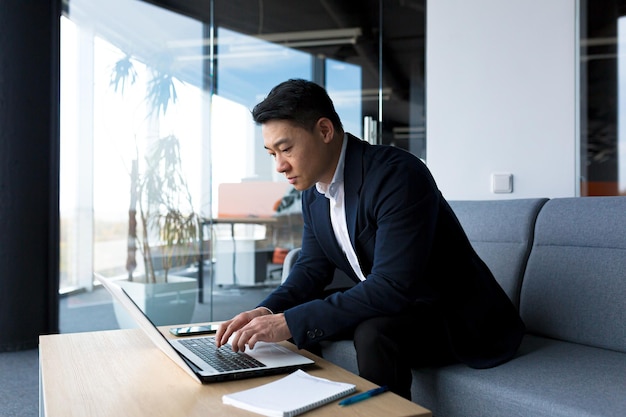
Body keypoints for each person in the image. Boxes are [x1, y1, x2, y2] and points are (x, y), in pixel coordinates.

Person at [216, 78, 525, 400]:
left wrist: (290, 321)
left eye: (286, 148)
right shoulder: (313, 192)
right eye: (271, 153)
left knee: (373, 332)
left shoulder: (398, 175)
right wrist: (265, 313)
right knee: (300, 312)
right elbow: (310, 269)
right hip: (400, 303)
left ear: (324, 131)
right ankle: (295, 403)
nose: (279, 166)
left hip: (458, 316)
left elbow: (392, 285)